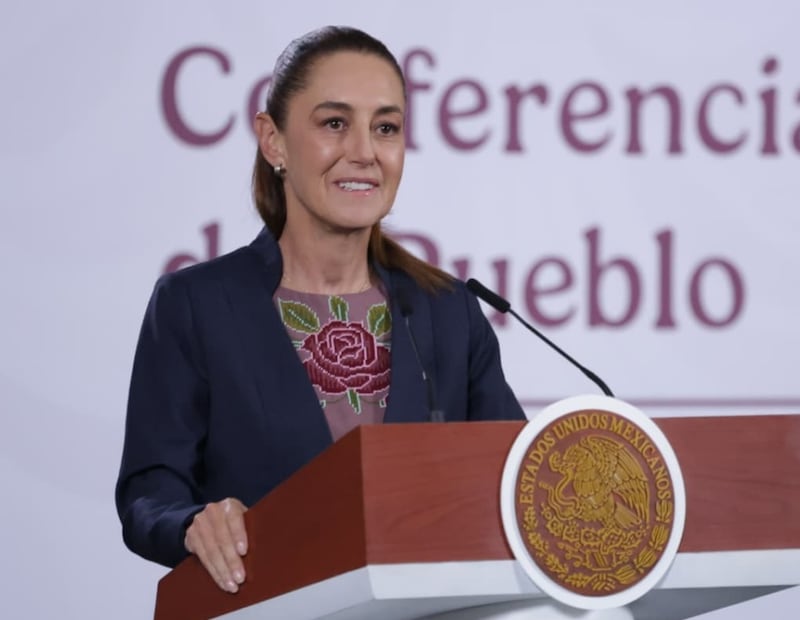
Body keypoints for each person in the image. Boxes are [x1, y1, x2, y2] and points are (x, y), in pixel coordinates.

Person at [115, 25, 525, 595]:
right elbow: (148, 493)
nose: (363, 152)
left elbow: (516, 484)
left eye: (385, 127)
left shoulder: (448, 312)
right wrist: (191, 523)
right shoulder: (195, 305)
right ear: (273, 140)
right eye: (335, 123)